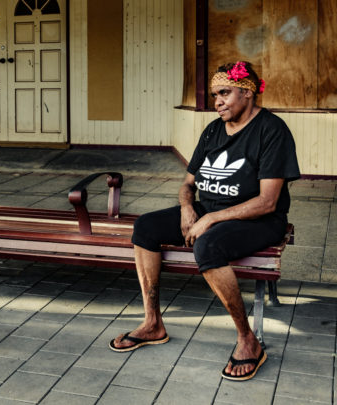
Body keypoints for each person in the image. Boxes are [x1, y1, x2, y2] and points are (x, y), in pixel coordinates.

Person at [109, 61, 300, 381]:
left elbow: (267, 201)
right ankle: (152, 323)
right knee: (145, 227)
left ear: (247, 93)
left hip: (259, 220)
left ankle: (248, 340)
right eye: (214, 95)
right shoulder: (213, 129)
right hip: (208, 211)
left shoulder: (272, 130)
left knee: (208, 246)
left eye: (224, 93)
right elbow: (187, 185)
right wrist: (187, 208)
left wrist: (209, 218)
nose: (217, 101)